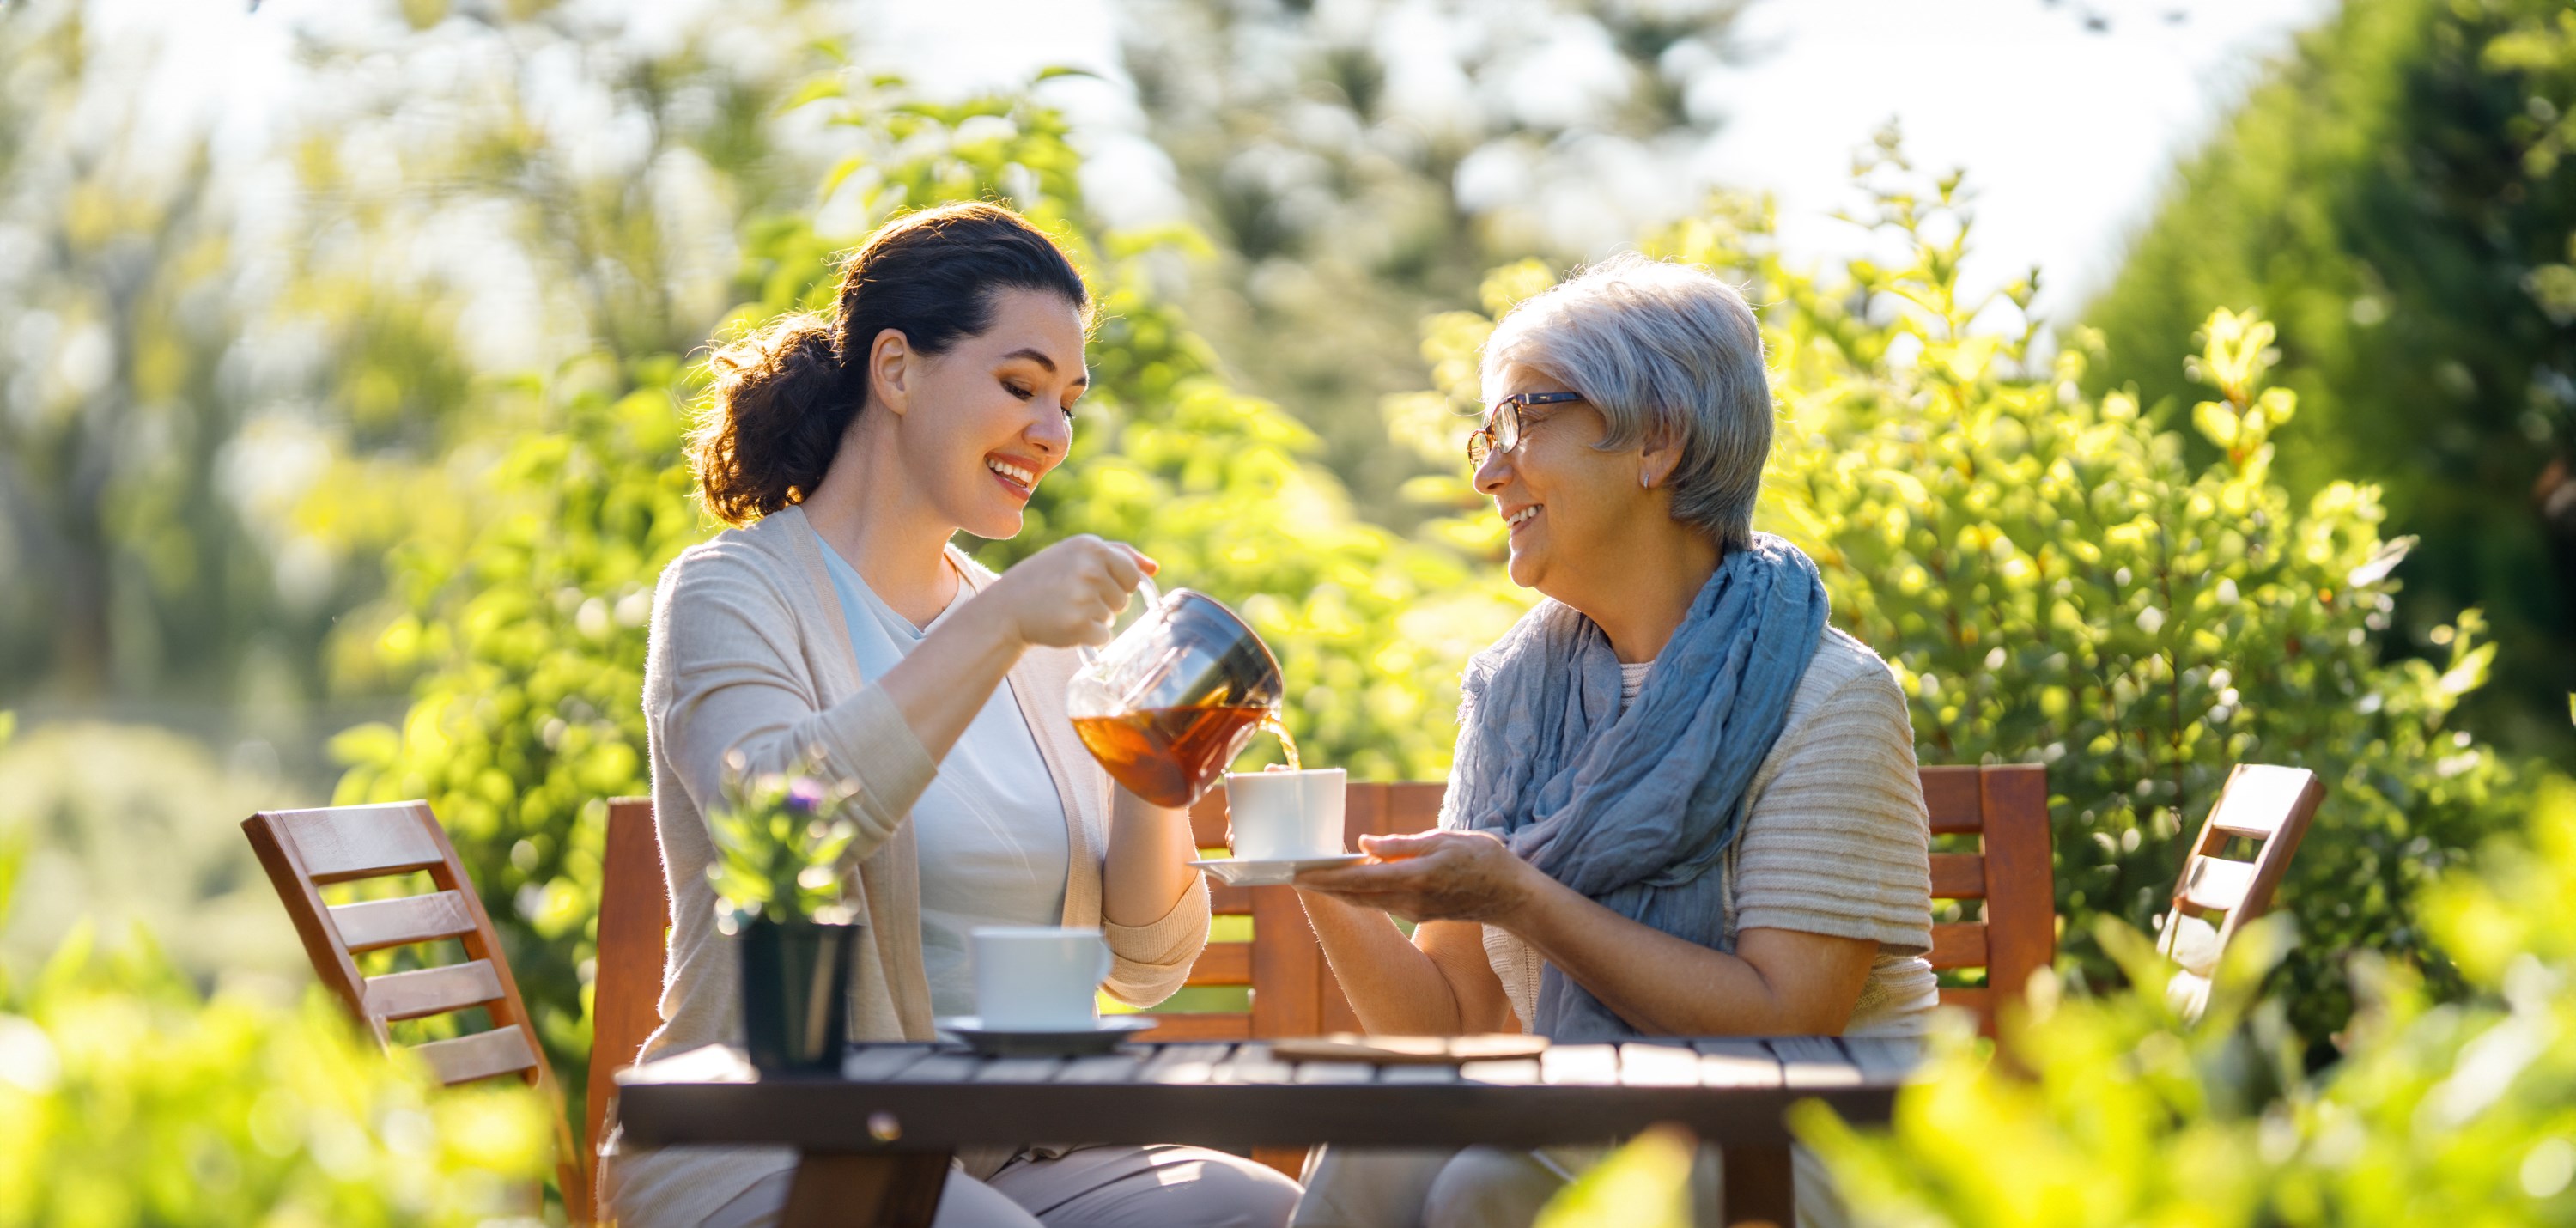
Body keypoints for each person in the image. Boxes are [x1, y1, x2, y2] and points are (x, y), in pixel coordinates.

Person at [609, 201, 1301, 1228]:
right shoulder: (732, 593)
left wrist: (1156, 765)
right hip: (767, 1149)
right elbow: (779, 819)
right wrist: (1001, 627)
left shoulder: (1035, 630)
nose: (1053, 433)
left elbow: (1149, 967)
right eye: (1021, 386)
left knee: (1274, 1211)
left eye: (1068, 401)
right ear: (895, 370)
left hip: (1000, 1152)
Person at [1287, 254, 1935, 1228]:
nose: (1486, 468)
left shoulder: (1830, 696)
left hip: (1813, 1138)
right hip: (1596, 1108)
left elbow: (1782, 1018)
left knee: (1488, 1188)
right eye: (1485, 432)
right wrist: (1306, 862)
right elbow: (1452, 1021)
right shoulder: (1514, 691)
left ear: (1657, 441)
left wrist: (1522, 898)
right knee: (1371, 1145)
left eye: (1523, 420)